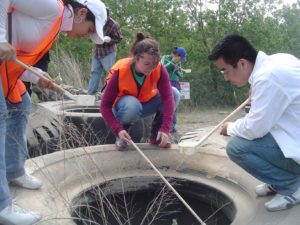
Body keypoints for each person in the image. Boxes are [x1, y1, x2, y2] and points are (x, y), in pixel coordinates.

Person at [0, 0, 107, 224]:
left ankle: (14, 171)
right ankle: (3, 207)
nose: (85, 36)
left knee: (21, 105)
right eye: (88, 30)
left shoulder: (54, 27)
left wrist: (38, 76)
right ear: (81, 13)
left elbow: (17, 58)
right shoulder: (52, 8)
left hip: (5, 72)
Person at [208, 34, 300, 212]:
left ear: (242, 63)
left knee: (237, 147)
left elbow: (254, 129)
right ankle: (279, 179)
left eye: (225, 71)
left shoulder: (267, 77)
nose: (226, 78)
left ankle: (291, 184)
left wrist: (230, 128)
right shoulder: (278, 60)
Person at [101, 33, 181, 151]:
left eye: (154, 64)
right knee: (133, 104)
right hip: (123, 108)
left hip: (144, 105)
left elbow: (169, 98)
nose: (151, 68)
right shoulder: (121, 71)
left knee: (174, 93)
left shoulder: (159, 69)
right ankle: (122, 136)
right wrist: (118, 129)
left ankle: (157, 136)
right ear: (135, 58)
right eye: (147, 64)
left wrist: (165, 128)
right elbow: (105, 106)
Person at [87, 8, 122, 95]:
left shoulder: (114, 25)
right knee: (94, 72)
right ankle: (90, 94)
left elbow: (118, 38)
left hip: (108, 53)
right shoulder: (95, 21)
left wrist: (109, 40)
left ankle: (109, 94)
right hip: (97, 51)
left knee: (109, 74)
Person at [161, 47, 187, 133]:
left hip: (176, 82)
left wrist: (176, 70)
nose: (180, 60)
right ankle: (163, 125)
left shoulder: (178, 62)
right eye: (181, 57)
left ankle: (172, 126)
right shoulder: (165, 57)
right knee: (166, 104)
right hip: (166, 82)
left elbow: (181, 74)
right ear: (177, 55)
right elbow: (161, 68)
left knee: (175, 105)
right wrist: (172, 62)